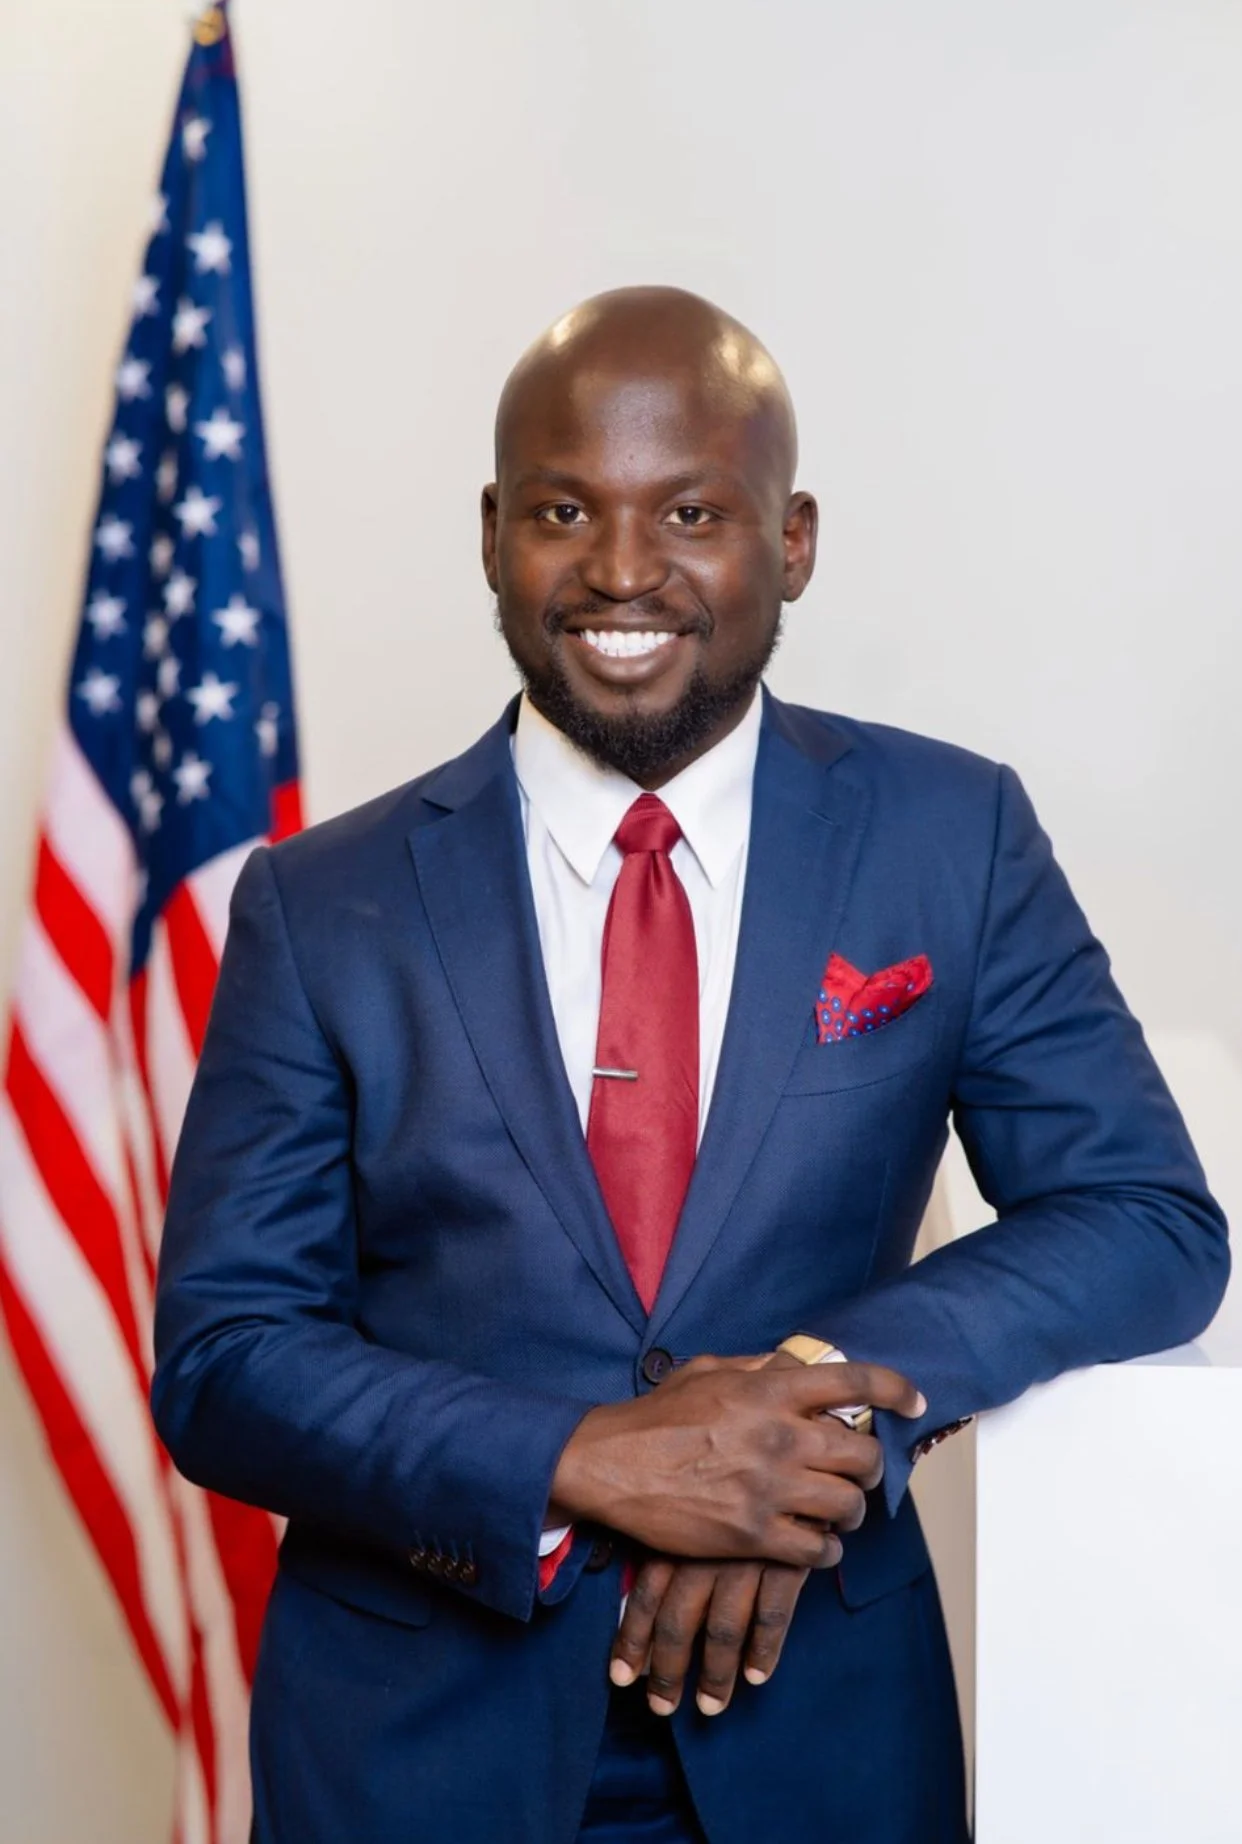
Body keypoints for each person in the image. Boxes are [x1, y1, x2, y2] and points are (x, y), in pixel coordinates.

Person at [152, 286, 1229, 1844]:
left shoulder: (948, 837)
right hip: (411, 1758)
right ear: (491, 533)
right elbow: (226, 1358)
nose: (619, 569)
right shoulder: (322, 903)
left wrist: (803, 1415)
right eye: (563, 510)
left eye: (691, 511)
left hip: (821, 1743)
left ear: (788, 542)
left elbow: (1143, 1219)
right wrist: (586, 1461)